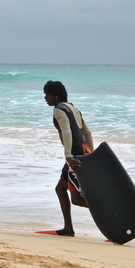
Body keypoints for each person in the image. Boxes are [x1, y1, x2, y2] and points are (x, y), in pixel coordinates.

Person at [43, 80, 94, 236]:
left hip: (74, 155)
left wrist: (68, 155)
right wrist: (91, 153)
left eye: (47, 94)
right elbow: (87, 133)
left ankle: (111, 214)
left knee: (77, 199)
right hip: (83, 151)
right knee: (60, 189)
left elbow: (67, 132)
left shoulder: (59, 110)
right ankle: (68, 228)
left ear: (55, 95)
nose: (45, 98)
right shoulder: (74, 108)